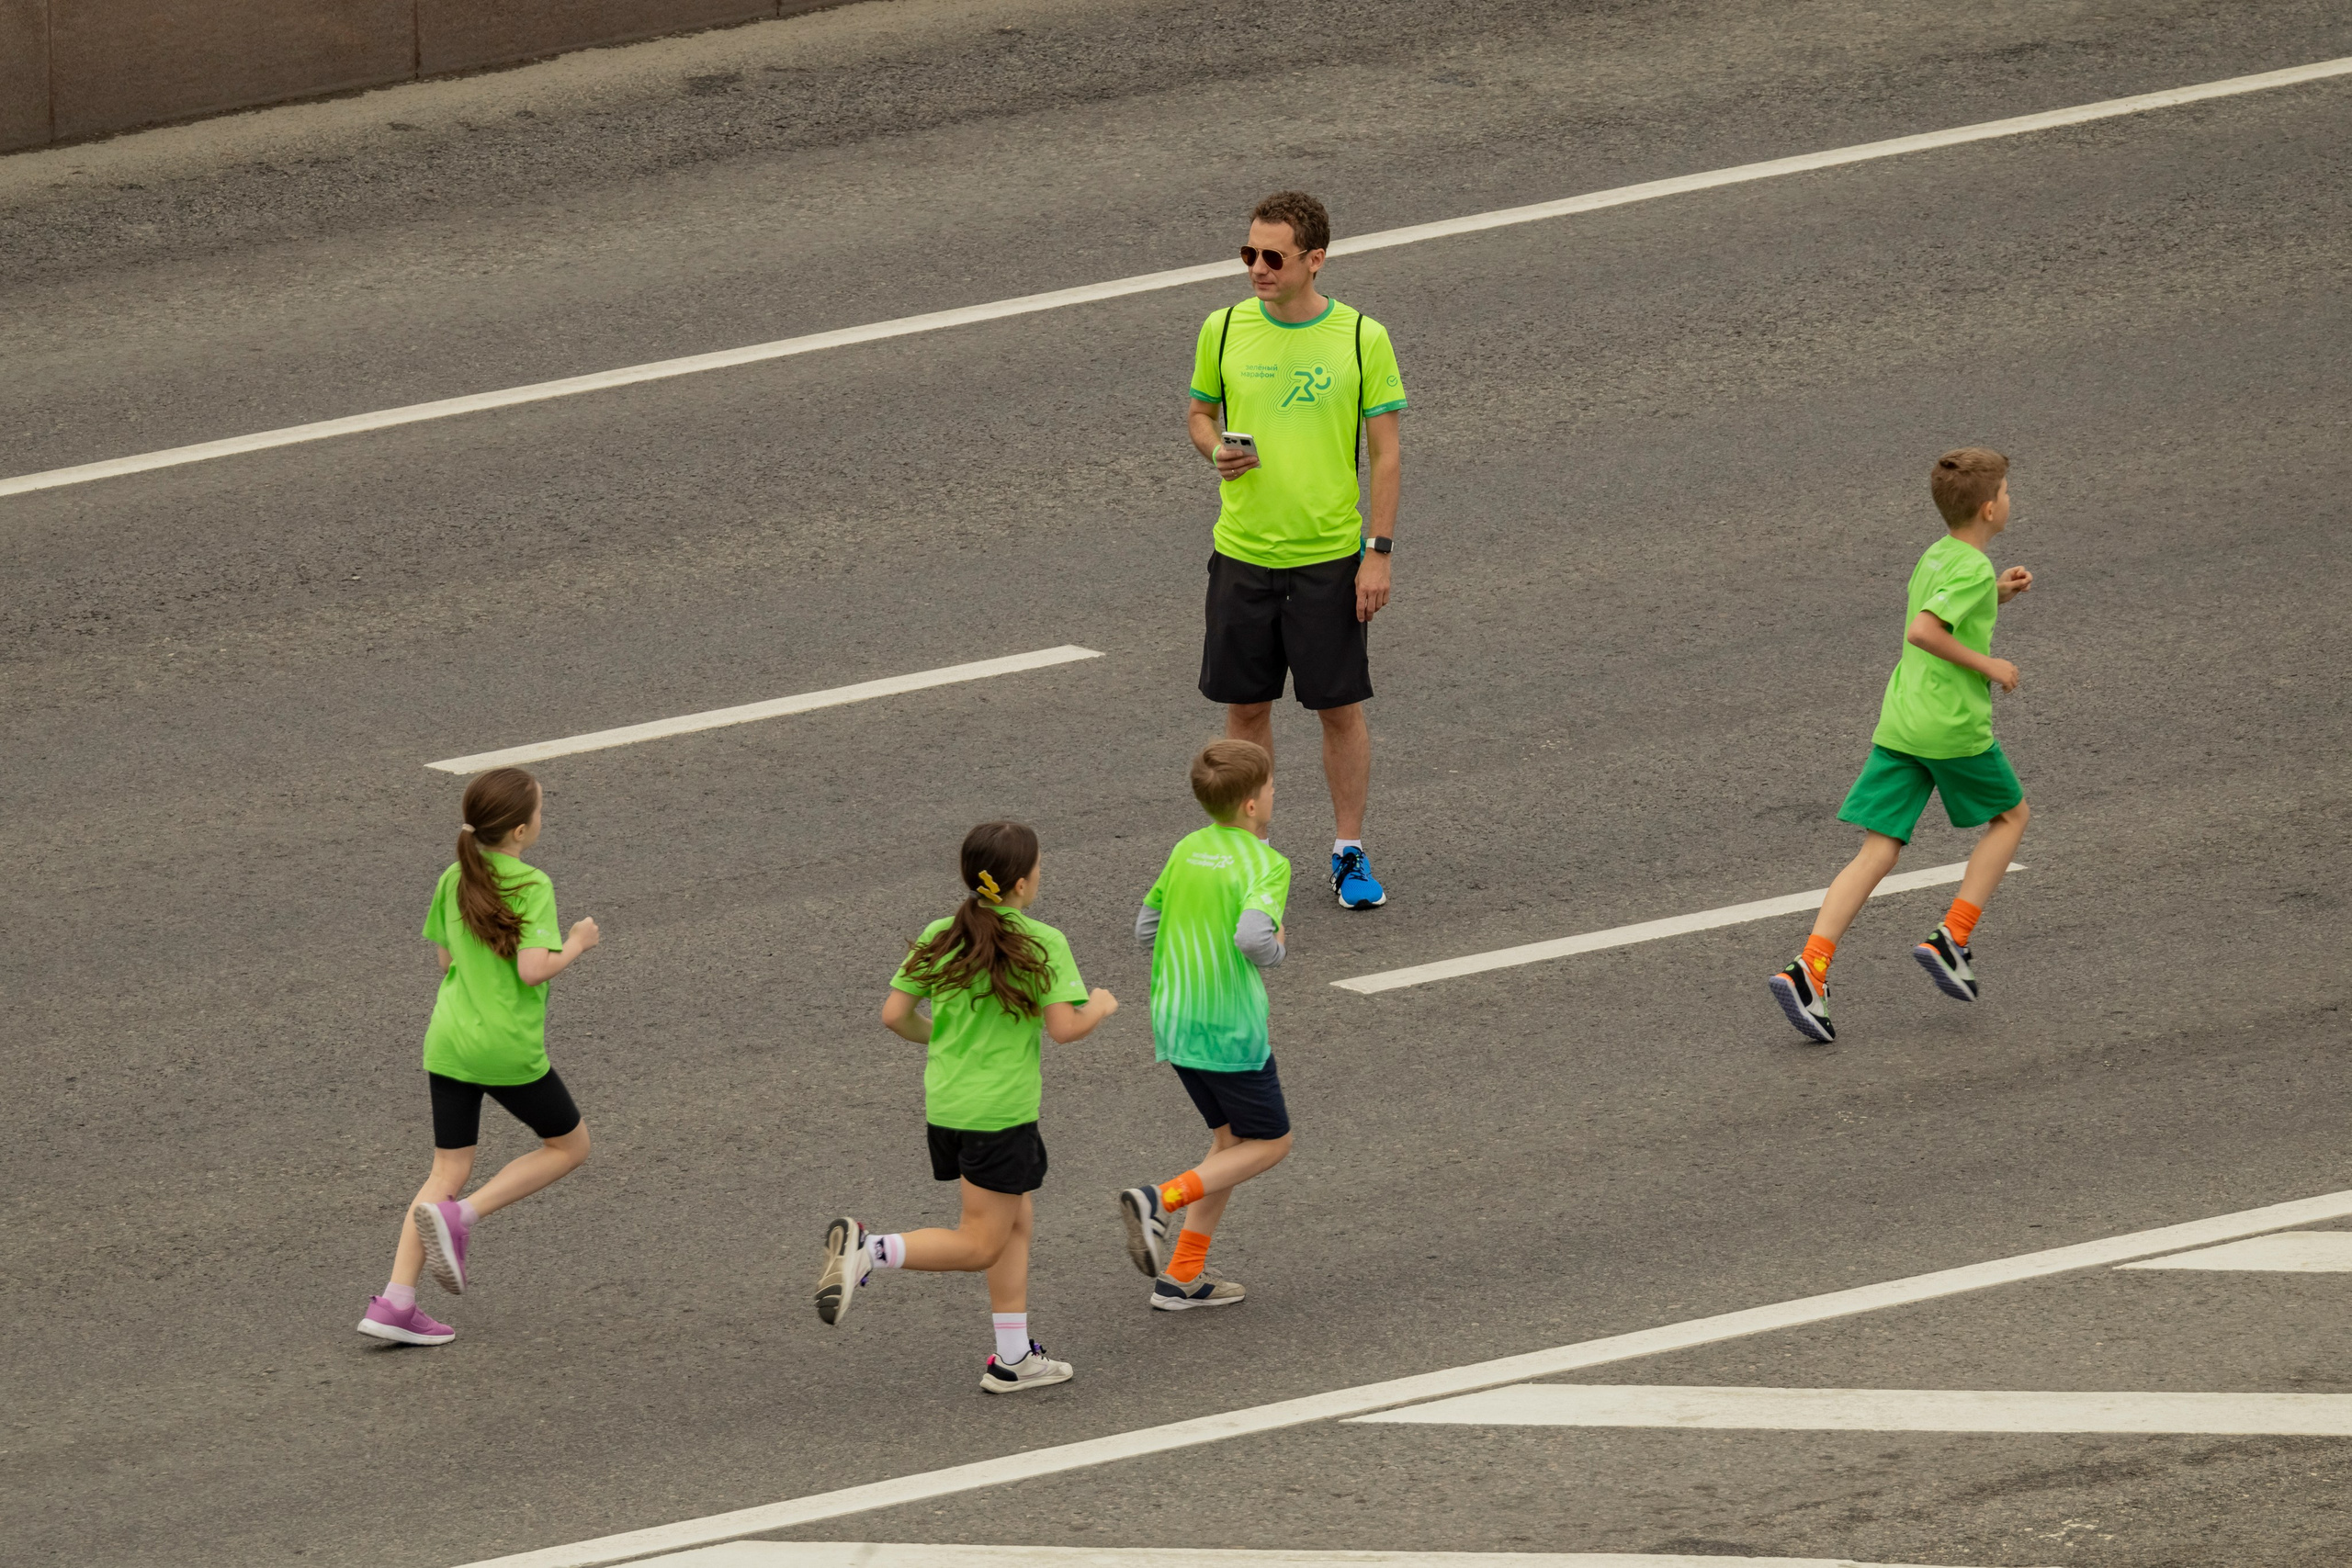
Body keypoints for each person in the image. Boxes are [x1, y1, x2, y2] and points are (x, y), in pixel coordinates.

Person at [813, 822, 1118, 1393]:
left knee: (1015, 1220)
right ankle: (870, 1250)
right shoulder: (1041, 941)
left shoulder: (941, 932)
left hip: (947, 1106)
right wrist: (1098, 1006)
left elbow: (894, 1015)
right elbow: (1064, 1029)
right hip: (999, 1114)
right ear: (1023, 884)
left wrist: (947, 1039)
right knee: (980, 1243)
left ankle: (1013, 1359)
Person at [1768, 448, 2035, 1043]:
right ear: (1990, 509)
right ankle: (1953, 937)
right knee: (2012, 816)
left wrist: (1997, 592)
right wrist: (1991, 664)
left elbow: (1946, 606)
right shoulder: (1966, 568)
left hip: (1902, 720)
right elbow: (1925, 629)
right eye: (2010, 493)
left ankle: (1810, 967)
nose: (2013, 501)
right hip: (1949, 726)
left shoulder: (1940, 556)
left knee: (1878, 849)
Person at [1188, 189, 1408, 909]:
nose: (1256, 267)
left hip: (1327, 558)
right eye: (1248, 253)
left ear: (1314, 260)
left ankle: (1348, 851)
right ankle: (1249, 857)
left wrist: (1376, 552)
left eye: (1272, 256)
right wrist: (1214, 447)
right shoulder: (1221, 329)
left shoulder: (1359, 339)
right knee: (1246, 712)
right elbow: (1198, 412)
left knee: (1337, 707)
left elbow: (1385, 456)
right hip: (1243, 555)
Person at [357, 766, 599, 1346]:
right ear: (519, 830)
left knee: (446, 1170)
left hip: (448, 1042)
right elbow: (532, 968)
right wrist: (577, 943)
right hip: (505, 1048)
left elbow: (445, 962)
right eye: (540, 812)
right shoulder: (532, 885)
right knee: (569, 1146)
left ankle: (396, 1302)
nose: (542, 820)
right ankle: (465, 1215)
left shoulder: (452, 877)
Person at [1117, 739, 1294, 1310]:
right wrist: (1277, 948)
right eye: (1269, 786)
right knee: (1271, 1143)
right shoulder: (1267, 863)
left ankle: (1182, 1275)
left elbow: (1146, 929)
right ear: (1250, 804)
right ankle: (1158, 1200)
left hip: (1174, 1018)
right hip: (1229, 1027)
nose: (1273, 794)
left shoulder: (1187, 848)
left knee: (1230, 1142)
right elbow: (1252, 938)